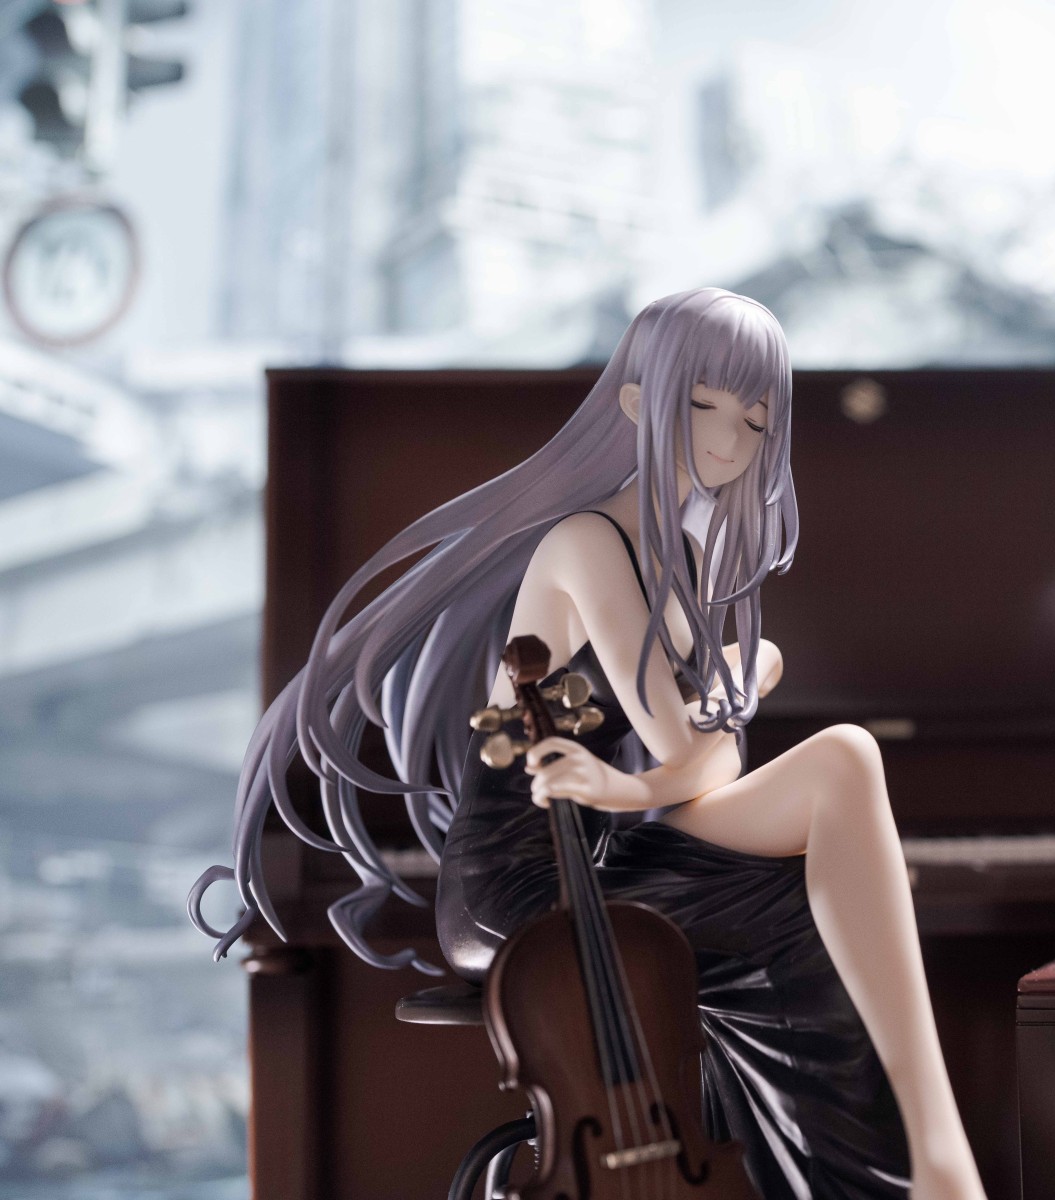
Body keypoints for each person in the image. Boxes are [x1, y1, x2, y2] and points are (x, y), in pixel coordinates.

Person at [189, 287, 986, 1200]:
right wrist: (735, 686)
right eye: (704, 406)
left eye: (756, 421)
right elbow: (682, 743)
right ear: (640, 402)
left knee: (832, 805)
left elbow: (708, 762)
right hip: (525, 882)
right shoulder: (587, 541)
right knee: (837, 786)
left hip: (601, 845)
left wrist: (643, 776)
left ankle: (909, 1159)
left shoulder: (683, 556)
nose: (729, 441)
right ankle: (924, 1166)